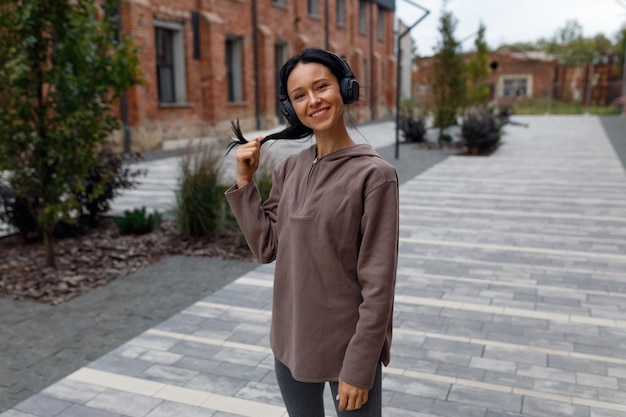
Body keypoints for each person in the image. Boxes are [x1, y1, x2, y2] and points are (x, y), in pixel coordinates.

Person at [225, 47, 398, 417]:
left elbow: (379, 284)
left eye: (321, 87)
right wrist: (244, 182)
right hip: (290, 345)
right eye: (300, 95)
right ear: (290, 109)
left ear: (345, 89)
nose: (313, 100)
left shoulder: (375, 175)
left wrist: (360, 366)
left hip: (348, 353)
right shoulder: (288, 170)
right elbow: (266, 246)